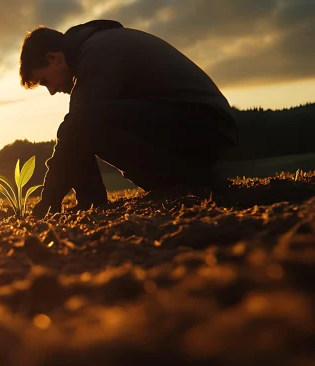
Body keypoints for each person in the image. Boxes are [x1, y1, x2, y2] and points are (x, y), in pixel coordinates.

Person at [21, 20, 240, 219]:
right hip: (199, 126)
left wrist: (48, 202)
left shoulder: (98, 52)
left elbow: (78, 126)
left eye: (45, 81)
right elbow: (79, 126)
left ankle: (184, 183)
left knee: (86, 120)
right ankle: (94, 201)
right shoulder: (98, 47)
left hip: (204, 126)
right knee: (85, 119)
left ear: (53, 58)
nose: (51, 90)